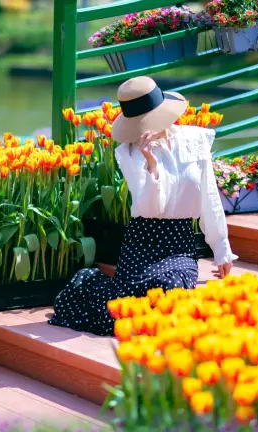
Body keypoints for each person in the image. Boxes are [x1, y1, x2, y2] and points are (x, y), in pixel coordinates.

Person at [49, 75, 237, 337]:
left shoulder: (195, 140)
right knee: (127, 309)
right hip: (142, 240)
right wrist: (151, 165)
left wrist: (221, 250)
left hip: (178, 242)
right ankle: (88, 285)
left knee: (169, 289)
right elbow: (149, 207)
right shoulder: (128, 153)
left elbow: (209, 197)